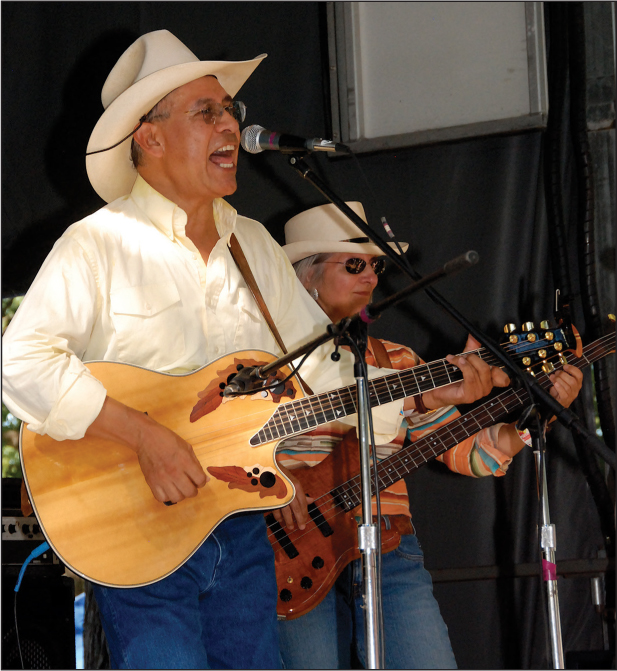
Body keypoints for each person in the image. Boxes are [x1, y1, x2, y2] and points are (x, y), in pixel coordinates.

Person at [1, 31, 405, 669]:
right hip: (136, 528)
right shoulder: (97, 244)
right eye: (207, 111)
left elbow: (319, 368)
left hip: (239, 524)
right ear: (149, 136)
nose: (231, 124)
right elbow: (19, 362)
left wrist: (435, 391)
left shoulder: (253, 245)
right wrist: (144, 436)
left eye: (230, 111)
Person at [273, 201, 584, 669]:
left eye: (376, 266)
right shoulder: (263, 359)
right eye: (354, 264)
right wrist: (273, 484)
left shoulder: (398, 360)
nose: (372, 278)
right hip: (291, 545)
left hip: (389, 540)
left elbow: (469, 453)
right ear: (305, 275)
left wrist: (533, 420)